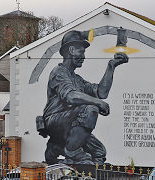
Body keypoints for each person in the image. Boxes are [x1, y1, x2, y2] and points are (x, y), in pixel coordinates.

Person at [42, 30, 128, 165]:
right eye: (81, 52)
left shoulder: (77, 79)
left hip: (71, 124)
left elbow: (101, 93)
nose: (83, 57)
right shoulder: (58, 72)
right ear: (71, 50)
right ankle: (71, 152)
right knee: (90, 109)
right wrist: (98, 103)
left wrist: (111, 66)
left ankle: (58, 148)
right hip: (55, 122)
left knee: (99, 153)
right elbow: (71, 96)